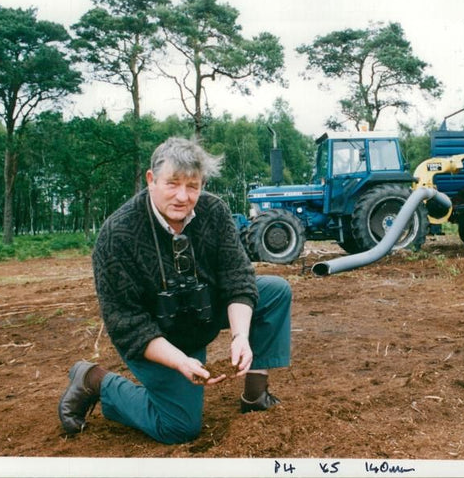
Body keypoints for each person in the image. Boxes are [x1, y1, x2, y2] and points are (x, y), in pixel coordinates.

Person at [58, 136, 292, 444]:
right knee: (179, 427)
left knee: (275, 291)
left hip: (201, 312)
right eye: (172, 184)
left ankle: (254, 395)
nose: (183, 196)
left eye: (193, 186)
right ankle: (96, 381)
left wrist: (240, 337)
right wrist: (180, 361)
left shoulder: (214, 212)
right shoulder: (117, 235)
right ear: (151, 180)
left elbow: (238, 278)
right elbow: (128, 324)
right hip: (158, 336)